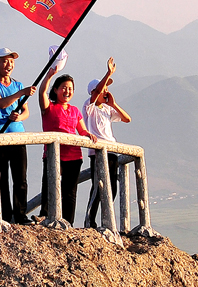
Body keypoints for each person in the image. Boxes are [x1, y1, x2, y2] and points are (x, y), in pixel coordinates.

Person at [0, 48, 38, 224]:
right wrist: (22, 93)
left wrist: (18, 117)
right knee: (2, 179)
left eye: (11, 61)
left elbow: (26, 112)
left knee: (20, 177)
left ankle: (20, 214)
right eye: (5, 61)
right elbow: (1, 102)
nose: (9, 65)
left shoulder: (18, 85)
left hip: (18, 136)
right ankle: (5, 215)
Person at [38, 69, 96, 226]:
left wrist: (87, 135)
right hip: (53, 154)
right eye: (64, 87)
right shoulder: (49, 108)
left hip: (74, 155)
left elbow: (82, 129)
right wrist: (49, 75)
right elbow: (42, 92)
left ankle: (67, 222)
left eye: (70, 88)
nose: (67, 91)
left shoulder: (75, 110)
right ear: (55, 90)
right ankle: (44, 216)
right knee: (50, 186)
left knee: (70, 192)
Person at [83, 57, 132, 228]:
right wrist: (108, 73)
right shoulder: (89, 107)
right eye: (103, 88)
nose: (105, 91)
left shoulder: (108, 110)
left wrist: (114, 103)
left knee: (112, 188)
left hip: (111, 150)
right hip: (97, 151)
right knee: (98, 186)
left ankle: (107, 221)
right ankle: (90, 221)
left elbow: (127, 119)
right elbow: (96, 94)